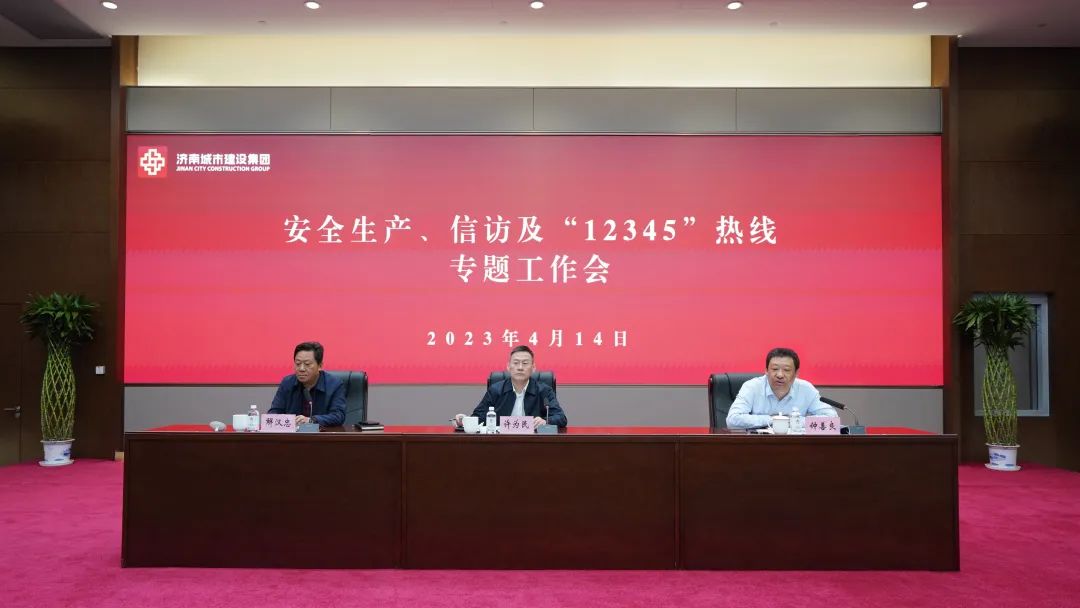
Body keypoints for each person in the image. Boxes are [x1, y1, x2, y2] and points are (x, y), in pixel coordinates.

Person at [453, 345, 567, 429]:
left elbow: (561, 418)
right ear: (508, 366)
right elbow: (479, 417)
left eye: (525, 363)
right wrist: (464, 419)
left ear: (533, 368)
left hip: (533, 443)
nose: (520, 367)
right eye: (516, 363)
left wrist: (545, 421)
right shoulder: (496, 390)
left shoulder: (544, 390)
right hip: (501, 443)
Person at [725, 347, 838, 429]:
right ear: (766, 371)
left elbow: (832, 419)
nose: (779, 375)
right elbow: (732, 420)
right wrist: (773, 420)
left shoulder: (806, 389)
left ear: (796, 373)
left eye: (786, 370)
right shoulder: (752, 387)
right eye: (774, 369)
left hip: (796, 447)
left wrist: (793, 421)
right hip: (758, 446)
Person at [268, 341, 347, 427]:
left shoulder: (334, 384)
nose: (301, 369)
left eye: (307, 364)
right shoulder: (287, 383)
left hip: (321, 434)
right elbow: (274, 413)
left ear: (320, 366)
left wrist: (311, 420)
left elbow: (338, 416)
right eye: (298, 364)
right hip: (292, 434)